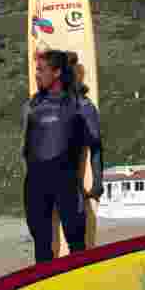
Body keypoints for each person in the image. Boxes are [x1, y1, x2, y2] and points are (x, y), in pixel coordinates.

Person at [21, 49, 104, 263]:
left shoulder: (81, 106)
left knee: (76, 244)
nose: (36, 75)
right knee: (41, 246)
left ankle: (81, 286)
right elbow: (27, 150)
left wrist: (97, 182)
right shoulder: (31, 106)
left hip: (67, 183)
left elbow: (95, 146)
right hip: (35, 185)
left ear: (57, 72)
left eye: (41, 70)